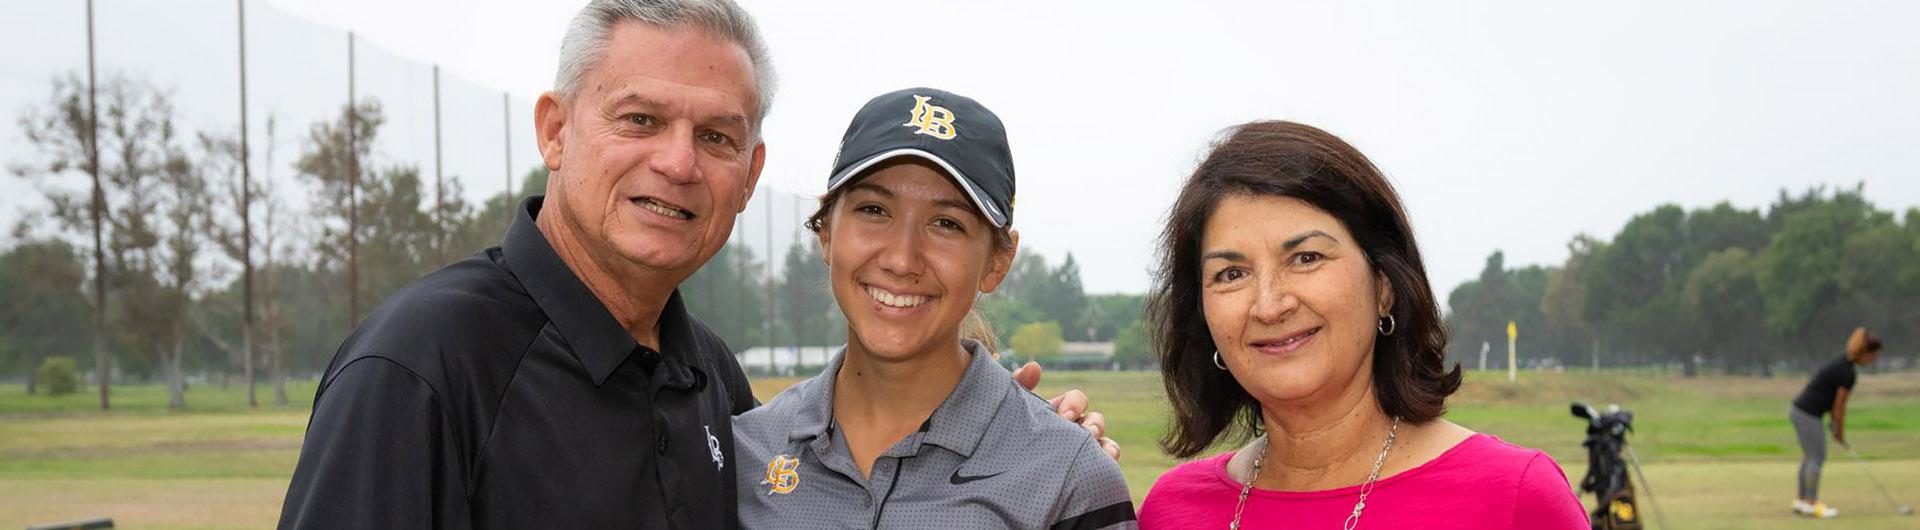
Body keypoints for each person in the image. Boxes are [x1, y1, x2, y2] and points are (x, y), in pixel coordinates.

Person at [276, 2, 1106, 528]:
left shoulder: (710, 380)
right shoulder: (423, 360)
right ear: (556, 130)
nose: (678, 164)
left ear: (748, 174)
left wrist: (1026, 440)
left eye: (715, 136)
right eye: (640, 119)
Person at [1135, 121, 1587, 529]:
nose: (1269, 306)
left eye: (1306, 258)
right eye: (1231, 274)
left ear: (1385, 284)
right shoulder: (1171, 512)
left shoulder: (1512, 499)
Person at [732, 88, 1136, 529]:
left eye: (946, 223)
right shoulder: (745, 453)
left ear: (998, 261)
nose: (902, 259)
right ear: (826, 232)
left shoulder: (1067, 476)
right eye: (873, 209)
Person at [1789, 327, 1884, 518]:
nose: (1873, 360)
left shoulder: (1842, 363)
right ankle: (1811, 503)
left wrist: (1835, 428)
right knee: (1816, 458)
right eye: (1873, 356)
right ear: (1865, 353)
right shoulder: (1848, 373)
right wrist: (1838, 430)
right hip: (1808, 413)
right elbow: (1839, 406)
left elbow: (1834, 406)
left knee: (1810, 457)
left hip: (1799, 411)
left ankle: (1802, 501)